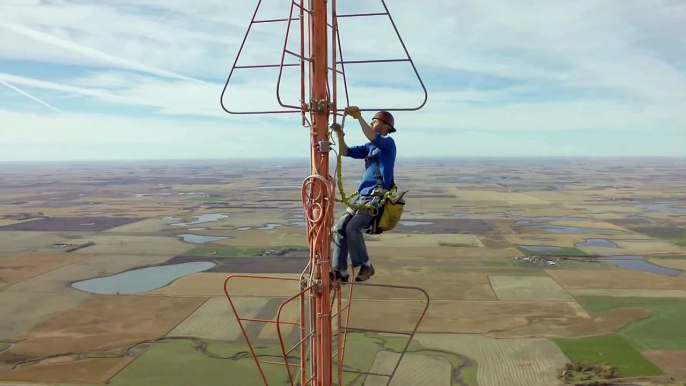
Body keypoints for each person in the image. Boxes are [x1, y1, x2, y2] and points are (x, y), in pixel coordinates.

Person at [330, 106, 397, 282]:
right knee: (339, 228)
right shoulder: (369, 147)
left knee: (353, 227)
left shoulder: (388, 143)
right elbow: (345, 151)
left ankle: (366, 265)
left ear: (385, 126)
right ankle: (340, 271)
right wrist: (340, 136)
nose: (371, 123)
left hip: (375, 196)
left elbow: (371, 135)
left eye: (374, 121)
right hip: (362, 196)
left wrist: (359, 118)